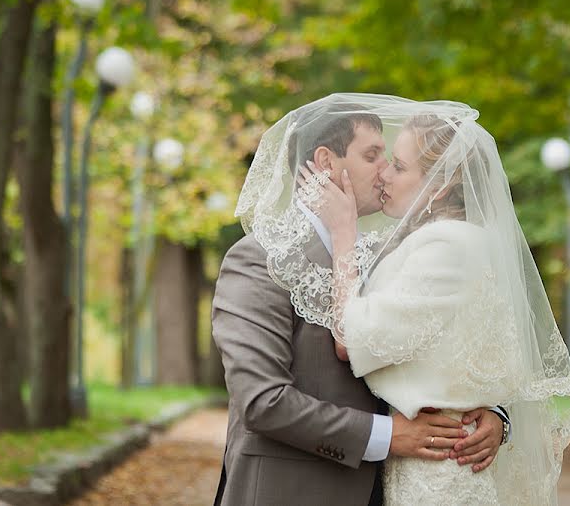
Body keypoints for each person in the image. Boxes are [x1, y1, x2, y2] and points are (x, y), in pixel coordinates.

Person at [211, 94, 509, 506]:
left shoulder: (393, 252)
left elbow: (469, 343)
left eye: (393, 160)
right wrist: (388, 437)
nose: (386, 170)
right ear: (327, 162)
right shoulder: (259, 258)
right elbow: (262, 402)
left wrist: (496, 415)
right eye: (373, 155)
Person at [302, 109, 570, 505]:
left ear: (439, 187)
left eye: (400, 166)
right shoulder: (438, 239)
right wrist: (497, 414)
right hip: (429, 459)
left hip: (439, 471)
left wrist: (342, 236)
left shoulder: (447, 246)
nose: (385, 174)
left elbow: (351, 341)